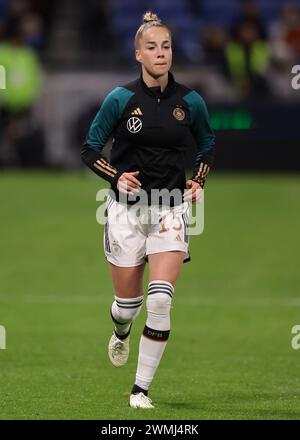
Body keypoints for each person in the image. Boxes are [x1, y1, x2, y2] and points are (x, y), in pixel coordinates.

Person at [81, 11, 216, 409]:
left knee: (160, 300)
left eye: (167, 46)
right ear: (137, 54)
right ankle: (120, 331)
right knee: (128, 307)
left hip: (169, 211)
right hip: (124, 213)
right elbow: (90, 148)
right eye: (152, 47)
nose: (161, 53)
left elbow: (207, 144)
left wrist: (199, 179)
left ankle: (140, 390)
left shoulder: (190, 101)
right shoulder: (120, 99)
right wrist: (115, 177)